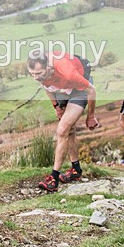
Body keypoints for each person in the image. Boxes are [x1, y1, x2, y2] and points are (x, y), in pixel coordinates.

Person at [27, 50, 100, 193]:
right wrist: (56, 107)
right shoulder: (41, 73)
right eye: (32, 74)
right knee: (69, 130)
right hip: (62, 90)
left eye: (39, 74)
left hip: (79, 90)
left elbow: (91, 90)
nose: (35, 78)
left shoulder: (67, 72)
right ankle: (75, 169)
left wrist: (90, 116)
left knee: (61, 130)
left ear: (49, 67)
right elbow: (47, 86)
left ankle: (53, 178)